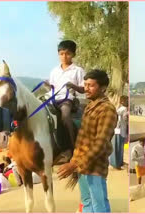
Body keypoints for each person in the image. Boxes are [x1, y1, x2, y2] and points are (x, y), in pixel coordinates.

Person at [57, 69, 117, 213]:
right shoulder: (90, 106)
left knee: (99, 206)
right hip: (82, 166)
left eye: (91, 85)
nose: (86, 89)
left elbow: (101, 143)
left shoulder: (107, 109)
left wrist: (73, 164)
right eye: (85, 85)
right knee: (87, 203)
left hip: (95, 167)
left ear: (102, 88)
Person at [46, 40, 85, 161]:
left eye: (67, 53)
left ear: (73, 54)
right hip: (52, 98)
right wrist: (47, 86)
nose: (64, 56)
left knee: (64, 116)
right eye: (61, 53)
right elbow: (52, 87)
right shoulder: (54, 71)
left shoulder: (78, 70)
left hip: (67, 99)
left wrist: (73, 86)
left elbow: (83, 89)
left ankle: (70, 148)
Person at [109, 95, 128, 169]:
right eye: (126, 101)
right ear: (122, 102)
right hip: (119, 130)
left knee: (117, 147)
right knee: (118, 147)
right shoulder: (123, 109)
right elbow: (123, 120)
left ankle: (116, 163)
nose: (127, 102)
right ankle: (116, 164)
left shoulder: (120, 109)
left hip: (118, 130)